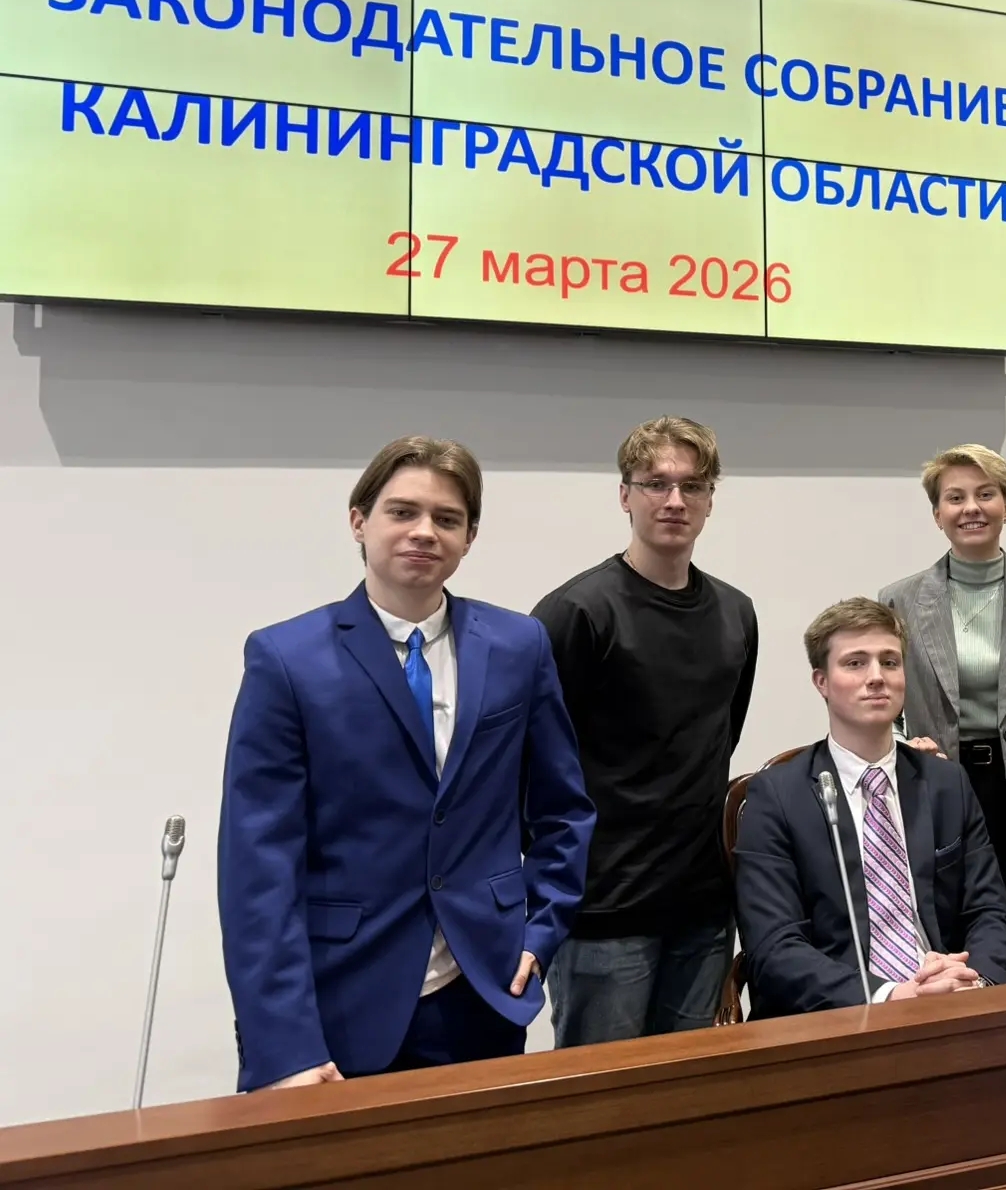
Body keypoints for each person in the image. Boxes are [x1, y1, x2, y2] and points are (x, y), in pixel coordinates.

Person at [218, 437, 594, 1090]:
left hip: (482, 991)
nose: (424, 531)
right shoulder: (287, 659)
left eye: (447, 518)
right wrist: (284, 1047)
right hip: (339, 1003)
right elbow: (259, 865)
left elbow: (563, 810)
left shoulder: (518, 646)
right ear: (359, 521)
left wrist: (540, 933)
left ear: (469, 537)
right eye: (402, 512)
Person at [533, 416, 757, 1045]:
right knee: (601, 1093)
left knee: (688, 1090)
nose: (675, 500)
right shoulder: (577, 613)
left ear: (710, 499)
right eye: (656, 483)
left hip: (703, 908)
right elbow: (533, 762)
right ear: (625, 495)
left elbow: (722, 736)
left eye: (693, 485)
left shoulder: (736, 614)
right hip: (603, 911)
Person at [734, 598, 1006, 1017]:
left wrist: (974, 982)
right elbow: (774, 947)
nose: (876, 677)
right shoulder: (776, 796)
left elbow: (990, 913)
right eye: (855, 663)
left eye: (890, 662)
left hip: (952, 1007)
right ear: (821, 682)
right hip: (840, 1017)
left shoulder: (946, 784)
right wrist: (892, 995)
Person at [880, 445, 1006, 965]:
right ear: (937, 514)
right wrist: (905, 744)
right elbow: (884, 708)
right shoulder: (898, 602)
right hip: (938, 793)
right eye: (955, 498)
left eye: (986, 494)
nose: (971, 508)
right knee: (950, 949)